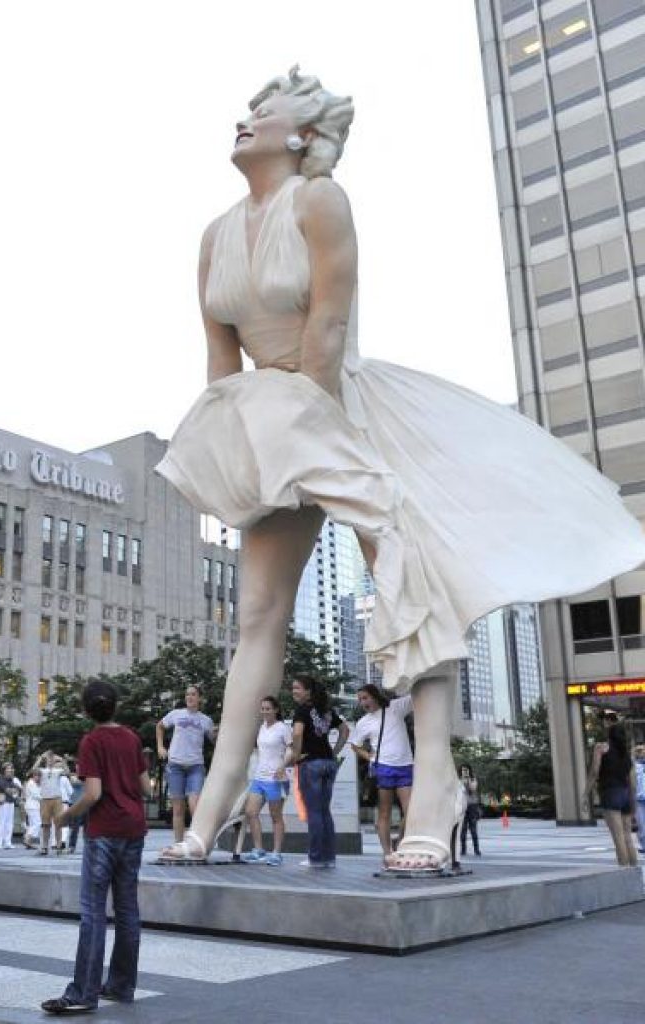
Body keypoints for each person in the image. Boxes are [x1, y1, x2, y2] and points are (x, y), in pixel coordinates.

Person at [152, 65, 645, 870]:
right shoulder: (212, 236)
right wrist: (240, 462)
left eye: (263, 111)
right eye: (246, 110)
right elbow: (221, 365)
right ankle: (216, 806)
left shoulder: (319, 202)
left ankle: (438, 790)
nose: (246, 118)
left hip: (337, 407)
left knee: (411, 585)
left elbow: (329, 326)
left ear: (302, 135)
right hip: (266, 421)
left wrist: (303, 439)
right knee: (256, 618)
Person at [41, 680, 151, 1015]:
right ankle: (120, 985)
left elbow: (92, 794)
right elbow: (146, 788)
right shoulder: (132, 738)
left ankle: (83, 993)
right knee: (128, 910)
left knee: (92, 912)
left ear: (87, 710)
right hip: (134, 829)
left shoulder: (91, 741)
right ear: (115, 706)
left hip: (103, 832)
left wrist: (65, 818)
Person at [349, 684, 414, 863]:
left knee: (411, 811)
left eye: (365, 698)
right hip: (383, 767)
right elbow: (355, 745)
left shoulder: (395, 707)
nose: (363, 702)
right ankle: (387, 853)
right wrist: (369, 756)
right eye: (360, 699)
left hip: (405, 765)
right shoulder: (364, 722)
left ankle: (399, 842)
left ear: (375, 696)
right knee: (384, 812)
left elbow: (416, 695)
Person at [290, 677, 349, 869]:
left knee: (314, 812)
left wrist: (297, 755)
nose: (294, 691)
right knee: (324, 812)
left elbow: (297, 733)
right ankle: (329, 858)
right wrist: (334, 752)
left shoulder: (303, 710)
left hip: (311, 764)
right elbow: (345, 730)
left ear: (308, 691)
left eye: (297, 687)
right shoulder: (326, 710)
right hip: (328, 763)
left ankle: (315, 858)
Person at [156, 685, 216, 850]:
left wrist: (218, 733)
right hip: (175, 765)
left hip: (195, 766)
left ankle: (196, 843)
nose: (189, 697)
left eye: (193, 694)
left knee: (194, 805)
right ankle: (179, 844)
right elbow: (160, 726)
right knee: (178, 807)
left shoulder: (206, 720)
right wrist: (160, 747)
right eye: (187, 694)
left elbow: (215, 741)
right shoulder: (176, 714)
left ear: (199, 698)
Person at [240, 695, 293, 866]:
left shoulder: (283, 728)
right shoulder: (261, 727)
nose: (265, 711)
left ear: (276, 710)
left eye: (268, 708)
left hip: (275, 778)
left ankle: (276, 853)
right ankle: (258, 849)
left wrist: (283, 766)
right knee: (250, 812)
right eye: (263, 708)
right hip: (259, 777)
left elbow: (291, 750)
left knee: (275, 816)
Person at [586, 712, 638, 867]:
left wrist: (585, 793)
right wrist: (633, 802)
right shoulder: (626, 755)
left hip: (610, 793)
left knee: (618, 838)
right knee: (628, 837)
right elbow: (633, 782)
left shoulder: (601, 748)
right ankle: (636, 875)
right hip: (625, 794)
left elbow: (595, 771)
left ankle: (623, 875)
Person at [35, 751, 68, 855]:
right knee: (45, 825)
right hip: (45, 799)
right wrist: (40, 758)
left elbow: (67, 772)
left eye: (52, 759)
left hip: (57, 799)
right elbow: (33, 770)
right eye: (49, 759)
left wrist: (62, 760)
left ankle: (59, 846)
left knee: (58, 824)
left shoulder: (57, 770)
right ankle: (45, 847)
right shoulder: (42, 770)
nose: (50, 760)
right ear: (46, 760)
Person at [0, 763, 22, 850]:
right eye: (8, 769)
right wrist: (14, 790)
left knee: (9, 823)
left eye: (12, 768)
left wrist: (14, 790)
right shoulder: (1, 779)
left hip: (11, 802)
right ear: (4, 770)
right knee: (1, 822)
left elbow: (17, 790)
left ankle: (8, 842)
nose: (11, 770)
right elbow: (9, 791)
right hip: (3, 802)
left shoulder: (11, 780)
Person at [459, 764, 481, 858]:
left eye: (467, 770)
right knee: (463, 830)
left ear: (469, 771)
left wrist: (467, 781)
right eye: (463, 770)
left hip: (472, 806)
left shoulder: (473, 779)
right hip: (462, 806)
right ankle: (463, 850)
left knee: (473, 829)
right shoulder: (458, 780)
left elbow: (473, 789)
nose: (465, 772)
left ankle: (476, 849)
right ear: (461, 771)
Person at [23, 769, 42, 849]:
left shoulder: (34, 783)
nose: (38, 778)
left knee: (32, 823)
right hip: (32, 806)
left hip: (33, 806)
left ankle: (29, 842)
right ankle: (27, 837)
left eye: (39, 776)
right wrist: (45, 798)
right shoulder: (31, 783)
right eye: (37, 776)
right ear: (33, 776)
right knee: (37, 823)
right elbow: (36, 795)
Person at [635, 744, 645, 856]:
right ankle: (643, 845)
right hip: (639, 799)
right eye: (640, 752)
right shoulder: (635, 767)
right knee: (641, 824)